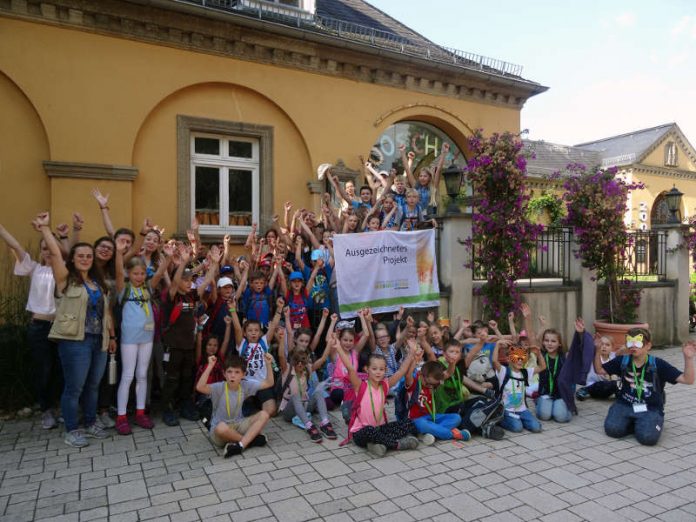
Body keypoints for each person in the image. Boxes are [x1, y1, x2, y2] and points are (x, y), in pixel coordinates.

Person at [35, 212, 116, 448]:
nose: (85, 259)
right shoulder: (65, 279)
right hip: (74, 341)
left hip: (98, 341)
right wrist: (45, 230)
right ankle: (72, 428)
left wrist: (111, 337)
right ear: (73, 259)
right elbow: (54, 254)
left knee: (92, 385)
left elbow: (107, 313)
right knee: (74, 387)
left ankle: (90, 422)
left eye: (88, 256)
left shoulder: (97, 283)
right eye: (80, 255)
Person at [0, 223, 60, 429]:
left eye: (51, 247)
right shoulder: (35, 268)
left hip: (62, 329)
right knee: (44, 369)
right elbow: (16, 246)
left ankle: (59, 407)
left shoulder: (66, 270)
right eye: (44, 248)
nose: (48, 251)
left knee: (61, 369)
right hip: (40, 327)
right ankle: (46, 410)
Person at [596, 328, 695, 446]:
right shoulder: (622, 361)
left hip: (650, 407)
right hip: (625, 403)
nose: (633, 346)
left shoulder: (658, 364)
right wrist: (597, 350)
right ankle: (636, 422)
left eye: (637, 342)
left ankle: (647, 423)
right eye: (630, 342)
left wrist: (688, 358)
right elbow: (600, 370)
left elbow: (688, 380)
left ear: (648, 346)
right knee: (612, 430)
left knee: (648, 438)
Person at [113, 239, 168, 435]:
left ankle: (140, 412)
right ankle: (121, 417)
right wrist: (119, 254)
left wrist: (167, 257)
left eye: (142, 273)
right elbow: (118, 273)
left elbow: (160, 273)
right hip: (129, 339)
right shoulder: (124, 289)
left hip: (147, 337)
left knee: (142, 375)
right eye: (135, 273)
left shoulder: (148, 288)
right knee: (128, 375)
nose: (139, 276)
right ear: (129, 273)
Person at [334, 334, 420, 457]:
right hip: (361, 433)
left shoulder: (385, 385)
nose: (378, 372)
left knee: (408, 423)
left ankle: (377, 445)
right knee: (370, 431)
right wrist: (338, 348)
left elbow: (401, 371)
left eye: (381, 369)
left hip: (379, 428)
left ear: (385, 371)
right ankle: (397, 445)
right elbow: (351, 369)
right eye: (374, 369)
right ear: (366, 369)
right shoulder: (361, 386)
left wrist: (411, 352)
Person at [196, 354, 273, 458]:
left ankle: (240, 445)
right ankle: (250, 440)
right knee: (220, 428)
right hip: (220, 432)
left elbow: (269, 383)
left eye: (237, 372)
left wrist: (268, 364)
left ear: (243, 374)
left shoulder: (245, 385)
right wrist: (210, 365)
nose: (233, 375)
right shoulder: (219, 387)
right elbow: (200, 387)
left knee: (264, 414)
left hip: (238, 425)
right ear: (224, 374)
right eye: (229, 372)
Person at [229, 297, 284, 416]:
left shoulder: (264, 342)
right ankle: (250, 404)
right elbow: (237, 328)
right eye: (250, 330)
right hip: (245, 384)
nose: (253, 333)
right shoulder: (242, 344)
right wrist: (233, 310)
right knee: (235, 411)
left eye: (256, 330)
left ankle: (256, 406)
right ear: (245, 333)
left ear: (260, 332)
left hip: (262, 383)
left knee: (271, 411)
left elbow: (273, 325)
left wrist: (279, 309)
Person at [277, 345, 335, 442]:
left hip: (305, 406)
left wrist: (330, 343)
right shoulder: (287, 370)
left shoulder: (307, 369)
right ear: (292, 361)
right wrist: (282, 340)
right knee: (295, 396)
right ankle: (309, 426)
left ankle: (325, 423)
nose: (300, 364)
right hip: (289, 410)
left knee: (318, 392)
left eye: (303, 361)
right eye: (297, 361)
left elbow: (323, 358)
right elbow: (281, 356)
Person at [405, 356, 467, 441]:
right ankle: (453, 434)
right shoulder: (414, 383)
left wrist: (452, 363)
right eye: (428, 383)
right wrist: (414, 359)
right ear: (421, 375)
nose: (431, 386)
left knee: (456, 417)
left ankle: (430, 433)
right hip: (416, 420)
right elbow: (408, 375)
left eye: (434, 385)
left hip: (431, 417)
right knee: (422, 424)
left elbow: (448, 373)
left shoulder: (433, 383)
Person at [492, 340, 546, 433]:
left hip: (522, 409)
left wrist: (539, 354)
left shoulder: (525, 372)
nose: (520, 360)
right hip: (507, 410)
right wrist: (497, 345)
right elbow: (494, 361)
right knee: (517, 428)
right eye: (516, 357)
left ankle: (519, 420)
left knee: (536, 427)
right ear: (508, 359)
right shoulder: (504, 371)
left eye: (523, 357)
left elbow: (542, 367)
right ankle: (500, 419)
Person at [535, 328, 572, 423]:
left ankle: (569, 406)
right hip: (545, 393)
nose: (549, 343)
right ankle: (539, 402)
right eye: (546, 340)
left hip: (561, 394)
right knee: (545, 416)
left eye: (553, 341)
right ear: (543, 342)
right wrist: (528, 318)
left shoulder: (564, 357)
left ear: (560, 343)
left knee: (560, 417)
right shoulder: (541, 356)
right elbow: (532, 339)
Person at [576, 335, 619, 400]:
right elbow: (583, 350)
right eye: (601, 344)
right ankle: (584, 390)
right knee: (606, 384)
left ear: (612, 348)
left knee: (615, 382)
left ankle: (619, 394)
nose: (604, 347)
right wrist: (590, 342)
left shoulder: (613, 356)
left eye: (607, 345)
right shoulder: (594, 355)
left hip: (608, 386)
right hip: (594, 385)